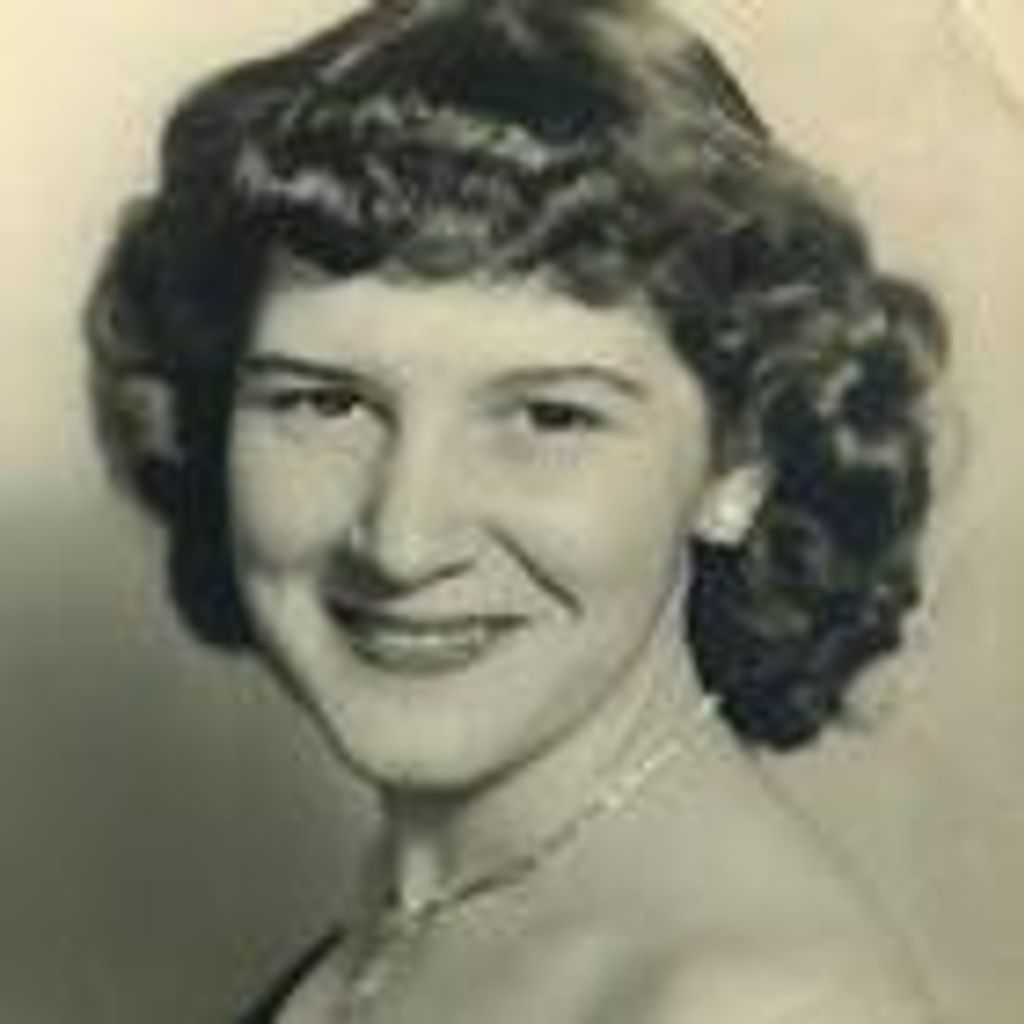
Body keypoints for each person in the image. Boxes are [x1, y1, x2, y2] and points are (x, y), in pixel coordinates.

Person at [85, 0, 949, 1020]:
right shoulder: (431, 901)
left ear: (739, 466)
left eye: (549, 416)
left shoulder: (756, 1005)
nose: (402, 541)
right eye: (326, 402)